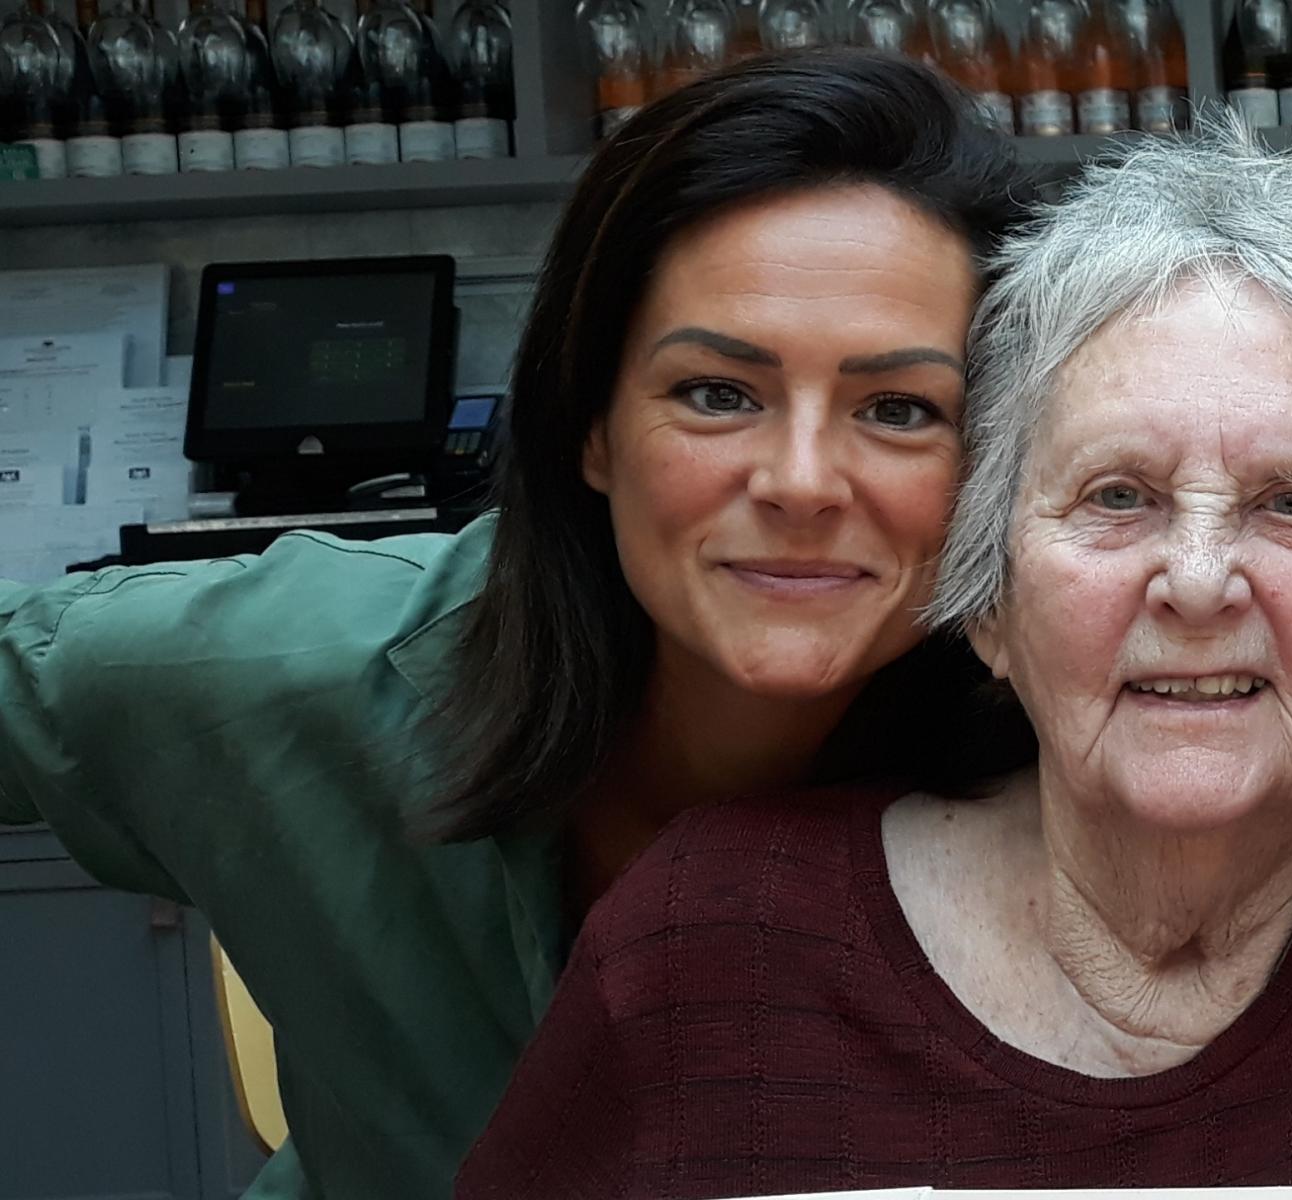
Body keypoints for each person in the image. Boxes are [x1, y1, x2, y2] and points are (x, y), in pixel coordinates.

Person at [455, 120, 1292, 1200]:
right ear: (987, 600)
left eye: (1291, 504)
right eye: (1116, 499)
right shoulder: (717, 944)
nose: (1199, 582)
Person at [0, 52, 1034, 1200]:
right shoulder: (299, 668)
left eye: (899, 409)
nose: (800, 481)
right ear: (589, 424)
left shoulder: (1076, 758)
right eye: (717, 393)